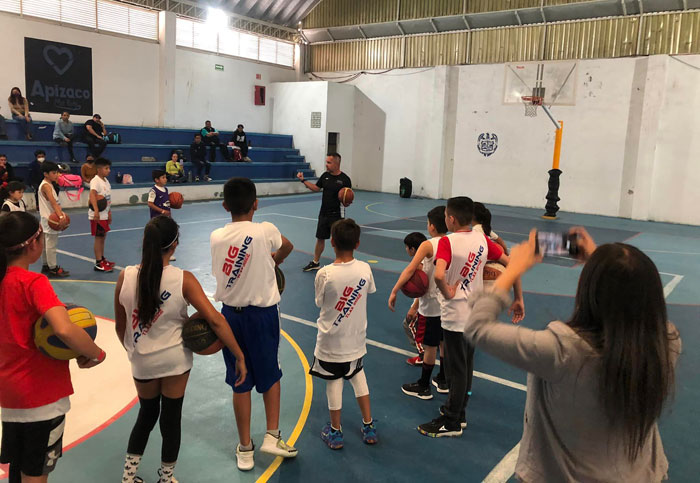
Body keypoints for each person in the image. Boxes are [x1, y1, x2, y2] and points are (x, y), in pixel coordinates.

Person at [466, 228, 680, 482]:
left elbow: (477, 328)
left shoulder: (563, 351)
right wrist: (603, 263)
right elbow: (632, 303)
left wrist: (513, 268)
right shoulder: (664, 343)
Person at [115, 216, 247, 483]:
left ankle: (128, 478)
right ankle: (166, 478)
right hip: (175, 360)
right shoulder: (182, 279)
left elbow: (121, 327)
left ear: (145, 241)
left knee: (147, 414)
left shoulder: (125, 276)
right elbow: (215, 320)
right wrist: (239, 354)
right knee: (171, 419)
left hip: (142, 362)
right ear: (175, 245)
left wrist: (135, 350)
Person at [0, 212, 106, 483]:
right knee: (35, 474)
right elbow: (63, 328)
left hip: (9, 396)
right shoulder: (33, 283)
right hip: (41, 396)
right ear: (33, 244)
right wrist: (95, 353)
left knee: (17, 468)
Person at [417, 196, 524, 438]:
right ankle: (460, 413)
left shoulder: (447, 242)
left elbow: (438, 276)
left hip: (455, 316)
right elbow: (512, 265)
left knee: (457, 369)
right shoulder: (483, 240)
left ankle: (451, 420)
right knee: (466, 366)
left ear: (451, 219)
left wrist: (448, 291)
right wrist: (519, 298)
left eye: (446, 215)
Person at [210, 177, 296, 471]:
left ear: (224, 205)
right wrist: (274, 260)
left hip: (229, 319)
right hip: (263, 316)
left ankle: (245, 448)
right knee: (270, 373)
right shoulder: (265, 230)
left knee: (239, 381)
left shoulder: (216, 237)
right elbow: (288, 246)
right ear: (256, 204)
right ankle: (272, 435)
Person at [310, 218, 378, 450]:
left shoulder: (325, 274)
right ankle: (368, 426)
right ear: (357, 244)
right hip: (356, 339)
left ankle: (336, 432)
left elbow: (320, 302)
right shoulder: (365, 269)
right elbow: (368, 290)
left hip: (330, 342)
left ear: (332, 242)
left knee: (334, 382)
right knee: (359, 377)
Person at [389, 207, 449, 397]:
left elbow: (410, 270)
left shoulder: (428, 245)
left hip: (431, 304)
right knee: (443, 342)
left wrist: (394, 290)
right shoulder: (452, 242)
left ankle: (424, 386)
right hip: (448, 302)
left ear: (431, 226)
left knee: (430, 346)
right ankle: (443, 379)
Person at [297, 153, 352, 272]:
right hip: (324, 213)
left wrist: (346, 201)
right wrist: (303, 180)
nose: (326, 165)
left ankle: (342, 263)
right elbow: (316, 188)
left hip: (337, 215)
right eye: (326, 162)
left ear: (336, 164)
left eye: (329, 162)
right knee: (320, 238)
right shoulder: (325, 176)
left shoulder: (345, 180)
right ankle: (315, 262)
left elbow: (348, 198)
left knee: (338, 240)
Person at [395, 231, 428, 366]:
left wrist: (414, 308)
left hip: (428, 302)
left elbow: (423, 290)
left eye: (406, 247)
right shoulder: (430, 256)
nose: (406, 249)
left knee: (408, 324)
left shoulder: (420, 265)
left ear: (412, 249)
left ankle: (422, 354)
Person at [38, 162, 70, 278]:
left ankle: (46, 265)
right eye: (53, 173)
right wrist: (61, 216)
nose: (56, 175)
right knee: (51, 245)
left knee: (46, 244)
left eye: (57, 172)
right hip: (51, 219)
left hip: (45, 218)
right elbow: (53, 203)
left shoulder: (48, 184)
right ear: (46, 174)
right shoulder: (46, 186)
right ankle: (53, 268)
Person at [89, 157, 114, 272]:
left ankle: (102, 259)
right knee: (98, 238)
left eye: (109, 168)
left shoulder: (106, 181)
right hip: (98, 215)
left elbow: (108, 199)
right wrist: (96, 211)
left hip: (104, 214)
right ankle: (98, 263)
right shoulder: (95, 181)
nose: (109, 170)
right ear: (98, 169)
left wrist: (109, 212)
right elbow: (92, 195)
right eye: (106, 168)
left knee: (103, 237)